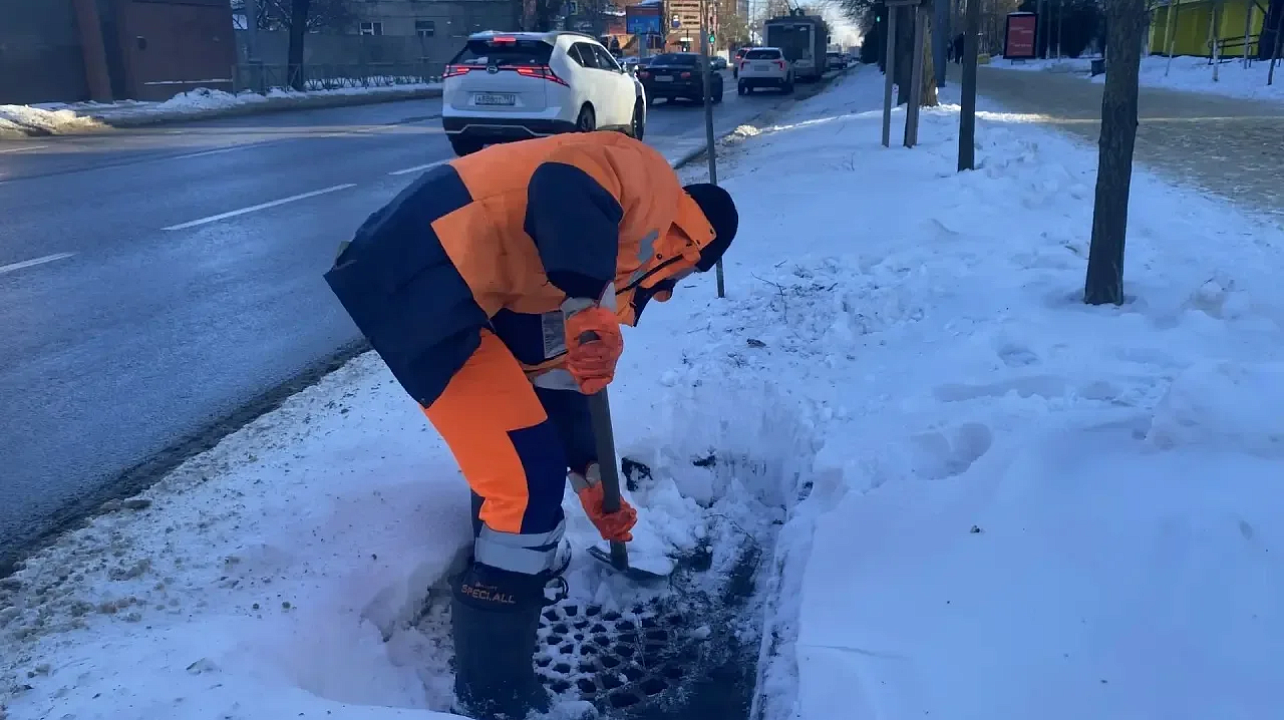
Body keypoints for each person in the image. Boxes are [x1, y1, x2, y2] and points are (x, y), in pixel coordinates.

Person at [323, 131, 738, 720]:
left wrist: (594, 476)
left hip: (461, 291)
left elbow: (551, 380)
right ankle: (496, 691)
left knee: (519, 447)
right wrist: (588, 298)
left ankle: (510, 572)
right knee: (524, 481)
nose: (667, 295)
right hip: (424, 270)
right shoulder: (648, 185)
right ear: (697, 246)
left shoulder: (600, 269)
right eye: (682, 278)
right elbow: (563, 183)